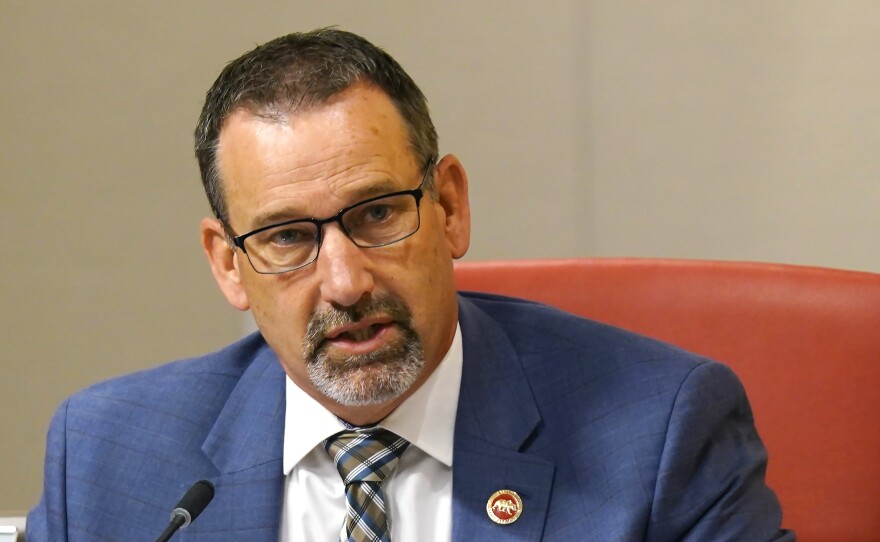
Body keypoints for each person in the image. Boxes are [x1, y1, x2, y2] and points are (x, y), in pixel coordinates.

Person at [27, 28, 794, 541]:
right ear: (229, 263)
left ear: (451, 206)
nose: (345, 281)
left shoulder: (660, 434)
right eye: (288, 236)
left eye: (377, 214)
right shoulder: (104, 457)